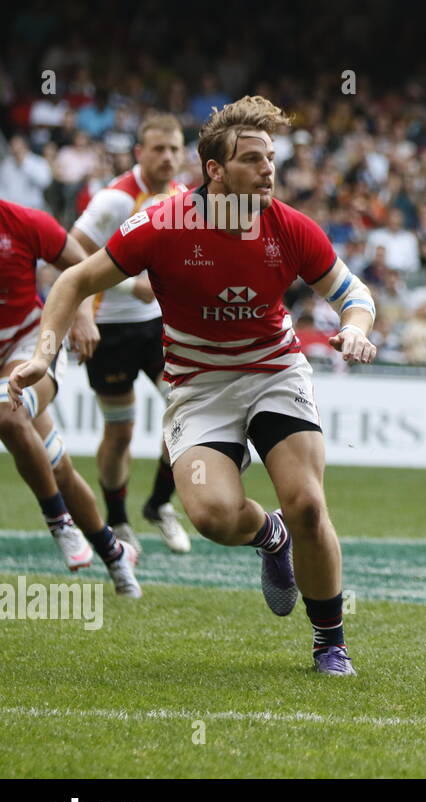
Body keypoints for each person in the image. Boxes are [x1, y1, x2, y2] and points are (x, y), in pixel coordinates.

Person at [8, 96, 378, 675]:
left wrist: (355, 330)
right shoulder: (162, 224)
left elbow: (353, 295)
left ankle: (330, 640)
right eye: (252, 159)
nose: (268, 170)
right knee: (210, 515)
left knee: (307, 503)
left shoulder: (291, 226)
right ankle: (269, 536)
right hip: (199, 387)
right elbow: (74, 280)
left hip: (274, 373)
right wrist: (42, 353)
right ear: (215, 170)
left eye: (271, 158)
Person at [0, 197, 140, 595]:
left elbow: (83, 269)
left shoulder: (25, 222)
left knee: (8, 416)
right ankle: (115, 554)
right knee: (55, 466)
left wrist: (81, 315)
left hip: (26, 347)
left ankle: (60, 523)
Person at [69, 113, 191, 555]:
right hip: (109, 330)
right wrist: (122, 286)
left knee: (186, 413)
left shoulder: (182, 197)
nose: (167, 157)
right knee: (120, 432)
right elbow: (72, 252)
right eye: (158, 149)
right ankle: (118, 520)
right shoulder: (115, 200)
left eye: (175, 149)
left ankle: (159, 504)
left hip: (160, 327)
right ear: (140, 152)